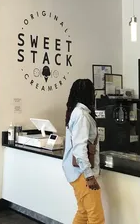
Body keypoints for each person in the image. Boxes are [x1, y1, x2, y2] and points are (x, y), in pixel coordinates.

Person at [62, 79, 105, 224]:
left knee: (84, 213)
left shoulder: (76, 112)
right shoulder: (81, 115)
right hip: (82, 174)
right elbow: (80, 150)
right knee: (96, 217)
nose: (94, 95)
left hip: (76, 173)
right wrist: (89, 176)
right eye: (93, 92)